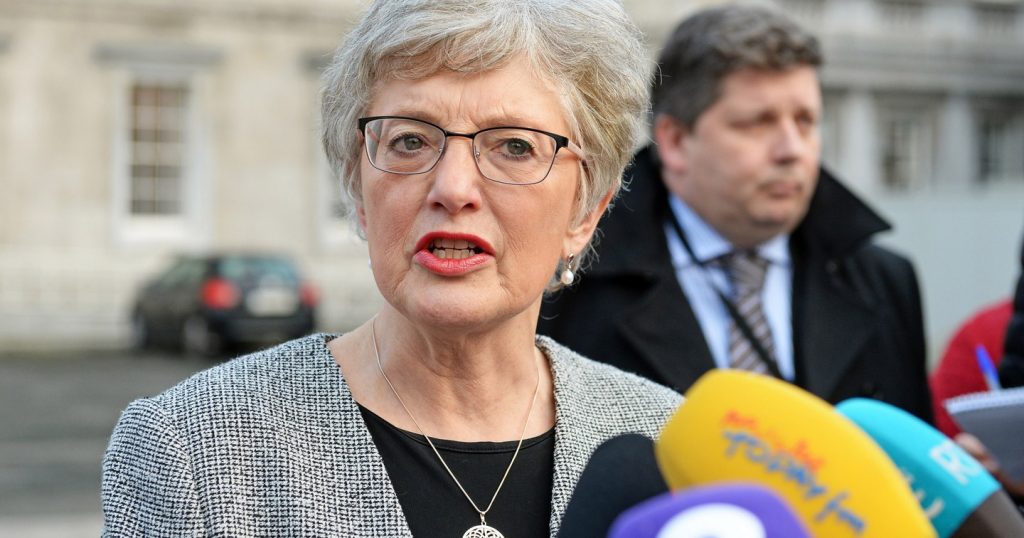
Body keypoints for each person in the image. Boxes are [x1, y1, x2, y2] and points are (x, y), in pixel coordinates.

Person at [101, 1, 682, 536]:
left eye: (514, 146)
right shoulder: (189, 450)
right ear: (357, 188)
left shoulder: (671, 446)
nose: (453, 188)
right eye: (409, 140)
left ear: (586, 212)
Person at [539, 4, 932, 421]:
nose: (792, 150)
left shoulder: (884, 281)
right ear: (673, 141)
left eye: (806, 121)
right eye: (757, 123)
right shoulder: (567, 280)